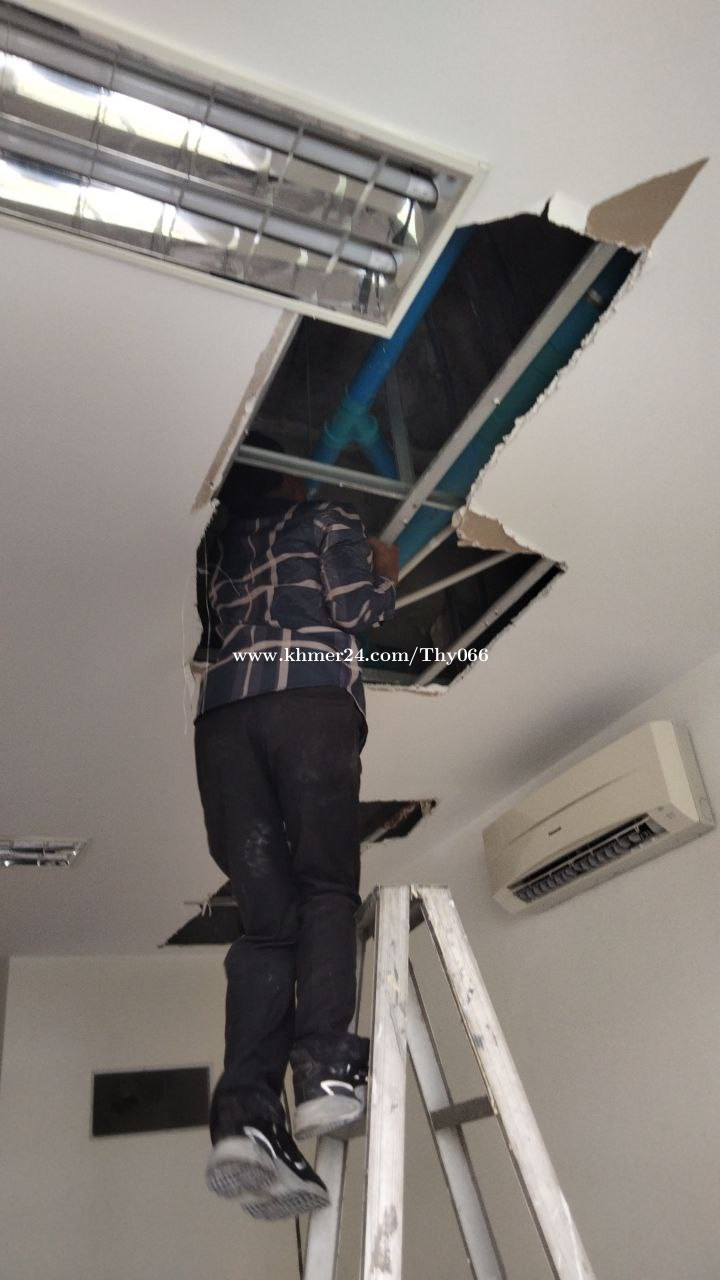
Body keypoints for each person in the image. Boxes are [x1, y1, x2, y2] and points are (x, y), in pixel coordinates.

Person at [193, 431, 399, 1220]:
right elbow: (357, 610)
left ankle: (246, 1116)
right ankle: (323, 1072)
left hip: (224, 722)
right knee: (325, 888)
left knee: (266, 924)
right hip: (307, 702)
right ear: (288, 477)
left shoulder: (218, 547)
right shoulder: (326, 515)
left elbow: (214, 630)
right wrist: (386, 567)